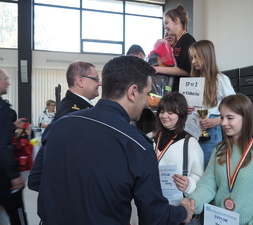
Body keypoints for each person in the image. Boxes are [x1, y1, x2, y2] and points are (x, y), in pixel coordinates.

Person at [29, 56, 195, 224]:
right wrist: (183, 211)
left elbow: (35, 180)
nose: (147, 102)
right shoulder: (137, 144)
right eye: (147, 94)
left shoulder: (59, 125)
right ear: (132, 92)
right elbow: (154, 217)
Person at [188, 93, 253, 225]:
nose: (224, 123)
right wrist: (194, 201)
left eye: (230, 118)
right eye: (222, 117)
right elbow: (208, 184)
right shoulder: (219, 150)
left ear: (246, 118)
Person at [188, 40, 235, 168]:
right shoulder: (193, 81)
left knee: (210, 166)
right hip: (193, 127)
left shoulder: (221, 79)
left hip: (212, 130)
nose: (193, 62)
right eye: (191, 58)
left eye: (196, 57)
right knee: (195, 165)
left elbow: (235, 108)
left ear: (207, 56)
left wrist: (217, 121)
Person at [151, 92, 204, 196]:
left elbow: (199, 176)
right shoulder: (149, 138)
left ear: (181, 114)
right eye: (162, 111)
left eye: (170, 113)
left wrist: (189, 184)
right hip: (150, 199)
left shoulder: (190, 143)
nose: (164, 116)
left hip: (175, 204)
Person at [0, 68, 28, 225]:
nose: (8, 83)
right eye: (5, 79)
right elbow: (2, 146)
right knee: (17, 214)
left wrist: (11, 126)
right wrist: (14, 175)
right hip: (4, 176)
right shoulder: (3, 109)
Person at [153, 4, 196, 91]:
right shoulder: (175, 42)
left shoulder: (187, 39)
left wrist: (157, 69)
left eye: (167, 23)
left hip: (184, 91)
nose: (165, 27)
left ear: (176, 20)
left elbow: (185, 70)